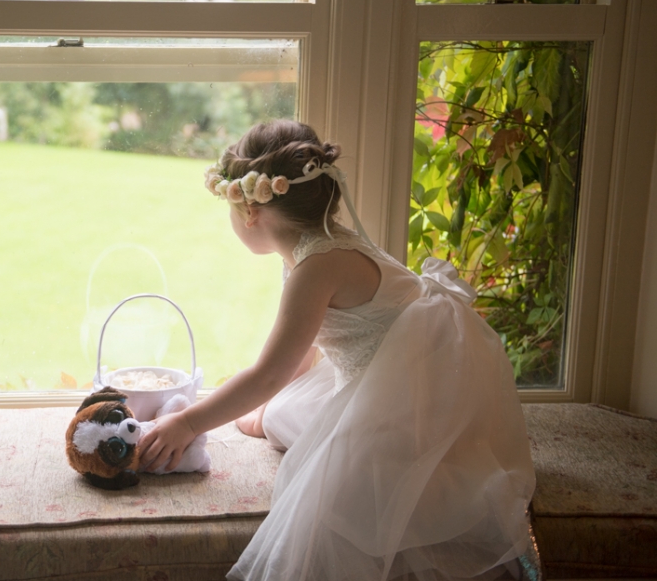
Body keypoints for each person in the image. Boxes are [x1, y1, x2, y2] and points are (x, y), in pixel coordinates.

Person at [138, 120, 537, 580]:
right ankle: (272, 416)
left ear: (249, 210)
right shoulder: (317, 246)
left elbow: (269, 373)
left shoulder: (315, 267)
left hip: (405, 407)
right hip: (395, 378)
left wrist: (189, 421)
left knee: (328, 474)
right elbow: (297, 359)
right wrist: (265, 407)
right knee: (283, 410)